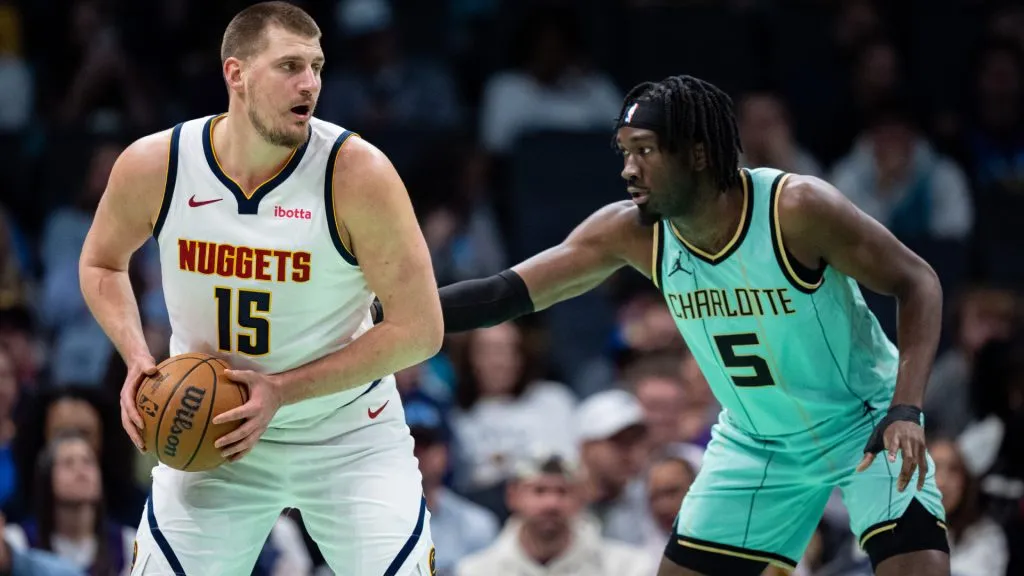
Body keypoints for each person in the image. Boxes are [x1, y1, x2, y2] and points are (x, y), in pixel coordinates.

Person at [377, 75, 950, 575]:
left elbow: (917, 281)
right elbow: (507, 294)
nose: (629, 169)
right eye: (625, 151)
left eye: (645, 151)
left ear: (698, 154)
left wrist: (907, 406)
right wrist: (383, 311)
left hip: (866, 422)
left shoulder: (794, 209)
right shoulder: (632, 231)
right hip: (757, 442)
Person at [78, 2, 443, 575]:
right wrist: (137, 359)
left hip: (346, 433)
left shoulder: (358, 174)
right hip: (212, 435)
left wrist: (280, 390)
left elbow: (420, 331)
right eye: (290, 66)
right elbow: (101, 263)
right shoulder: (159, 164)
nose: (311, 84)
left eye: (318, 67)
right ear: (236, 74)